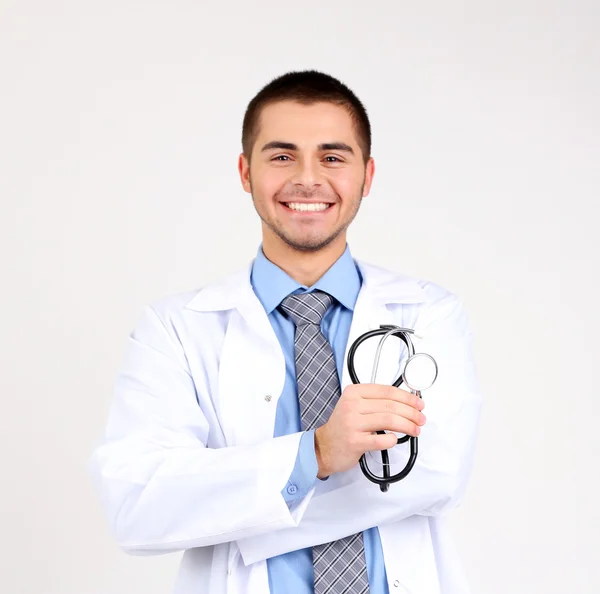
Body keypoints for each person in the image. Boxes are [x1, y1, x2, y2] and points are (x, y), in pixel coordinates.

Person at [88, 69, 482, 594]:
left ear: (366, 176)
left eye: (332, 157)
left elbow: (435, 475)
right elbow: (137, 504)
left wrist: (248, 511)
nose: (308, 179)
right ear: (245, 172)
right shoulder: (176, 330)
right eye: (281, 156)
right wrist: (314, 454)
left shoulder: (426, 313)